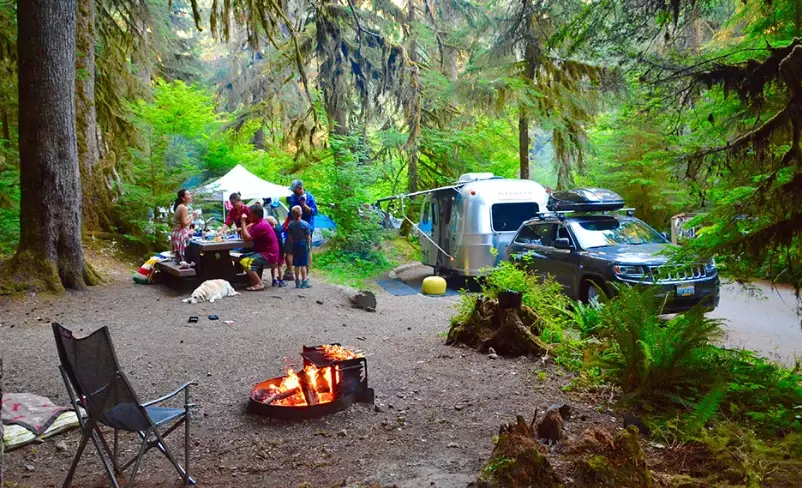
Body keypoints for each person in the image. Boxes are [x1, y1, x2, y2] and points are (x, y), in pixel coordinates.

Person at [239, 204, 280, 291]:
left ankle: (259, 283)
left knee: (246, 262)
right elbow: (244, 235)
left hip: (269, 254)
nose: (248, 215)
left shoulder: (262, 225)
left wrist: (243, 222)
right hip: (262, 252)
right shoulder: (257, 223)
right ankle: (250, 280)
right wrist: (244, 227)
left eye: (250, 213)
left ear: (256, 215)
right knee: (242, 257)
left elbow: (246, 238)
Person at [287, 205, 312, 288]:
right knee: (303, 264)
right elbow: (308, 237)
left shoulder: (291, 224)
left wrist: (293, 243)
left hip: (295, 244)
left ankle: (297, 281)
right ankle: (304, 281)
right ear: (301, 213)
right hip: (303, 244)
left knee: (297, 264)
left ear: (293, 214)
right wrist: (308, 245)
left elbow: (290, 237)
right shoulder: (305, 224)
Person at [171, 189, 197, 263]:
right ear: (183, 198)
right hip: (181, 235)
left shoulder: (180, 206)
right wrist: (193, 216)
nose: (190, 196)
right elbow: (184, 223)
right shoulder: (183, 208)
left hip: (176, 233)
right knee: (184, 260)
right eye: (188, 195)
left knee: (179, 259)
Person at [265, 216, 287, 287]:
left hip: (272, 251)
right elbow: (280, 241)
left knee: (273, 266)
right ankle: (280, 280)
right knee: (280, 266)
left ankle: (273, 280)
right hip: (279, 250)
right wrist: (283, 251)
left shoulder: (267, 231)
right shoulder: (277, 230)